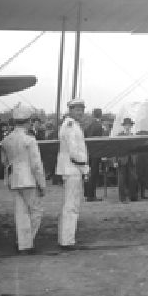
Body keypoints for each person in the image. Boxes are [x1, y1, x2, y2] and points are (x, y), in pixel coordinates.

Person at [1, 104, 46, 254]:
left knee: (21, 213)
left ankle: (22, 243)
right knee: (36, 211)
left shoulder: (6, 140)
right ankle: (27, 242)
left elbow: (4, 162)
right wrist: (42, 184)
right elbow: (36, 165)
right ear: (28, 121)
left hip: (14, 179)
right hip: (29, 179)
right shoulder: (30, 140)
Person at [55, 98, 90, 250]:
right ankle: (67, 241)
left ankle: (66, 238)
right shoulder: (70, 126)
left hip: (71, 169)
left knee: (70, 205)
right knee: (71, 206)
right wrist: (85, 168)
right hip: (73, 169)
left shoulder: (72, 125)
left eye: (82, 109)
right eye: (77, 109)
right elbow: (74, 152)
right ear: (70, 110)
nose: (80, 112)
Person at [115, 117, 139, 203]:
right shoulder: (119, 136)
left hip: (131, 159)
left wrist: (135, 158)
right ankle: (122, 198)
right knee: (122, 180)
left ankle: (132, 196)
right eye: (126, 125)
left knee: (132, 179)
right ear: (124, 126)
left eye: (129, 125)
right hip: (122, 160)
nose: (128, 127)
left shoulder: (133, 136)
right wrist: (115, 161)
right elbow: (115, 149)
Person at [84, 108, 104, 202]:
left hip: (89, 152)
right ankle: (91, 196)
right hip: (96, 153)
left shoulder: (89, 125)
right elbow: (99, 141)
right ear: (100, 115)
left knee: (89, 174)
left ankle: (88, 194)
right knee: (94, 174)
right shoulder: (99, 126)